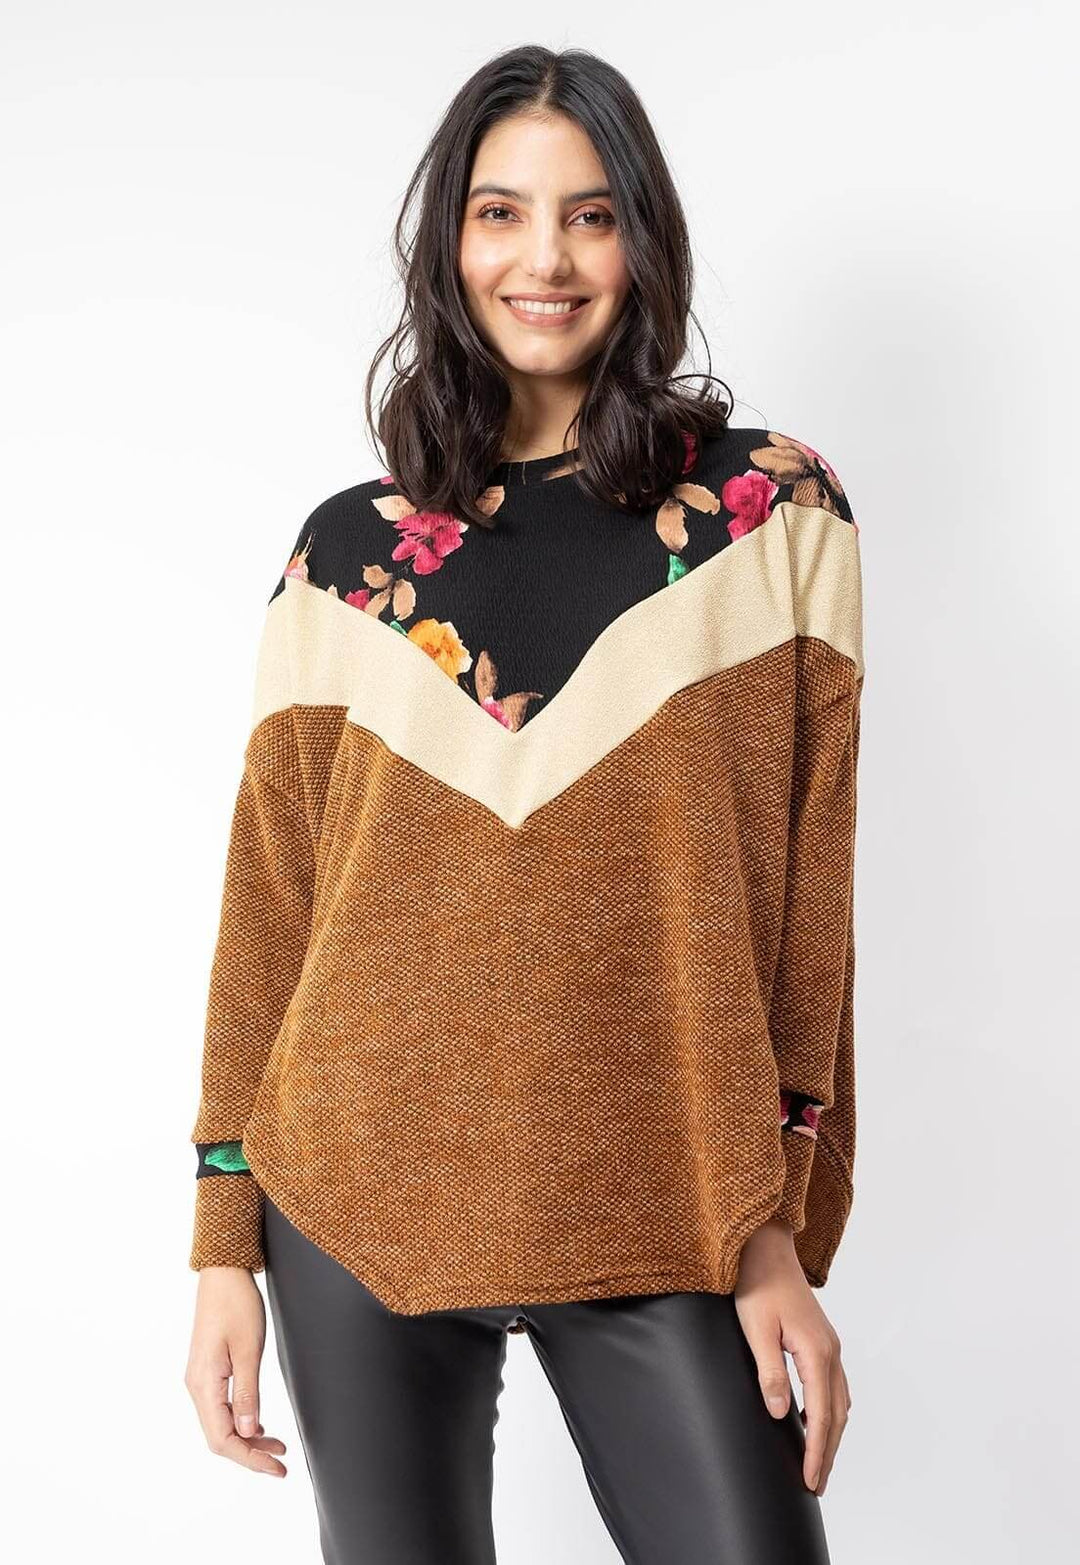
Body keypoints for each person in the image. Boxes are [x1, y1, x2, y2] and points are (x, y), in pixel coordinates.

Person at [183, 43, 863, 1565]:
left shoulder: (770, 514)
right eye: (500, 213)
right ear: (449, 243)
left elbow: (807, 907)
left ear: (644, 238)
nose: (542, 259)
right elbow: (271, 910)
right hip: (355, 1187)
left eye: (589, 214)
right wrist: (224, 1245)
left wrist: (777, 1227)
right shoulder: (350, 554)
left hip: (671, 1191)